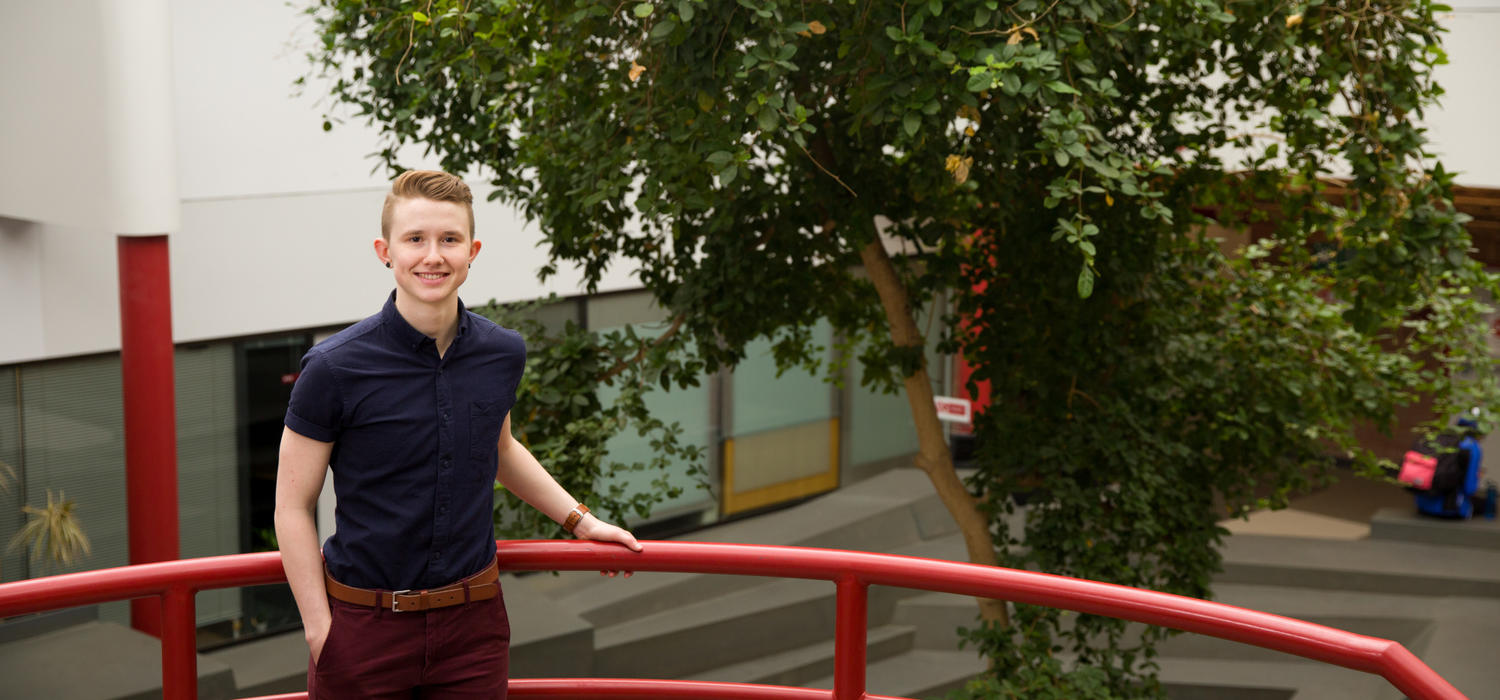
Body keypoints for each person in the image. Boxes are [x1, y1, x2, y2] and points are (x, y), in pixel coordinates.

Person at [274, 169, 642, 699]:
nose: (433, 256)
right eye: (415, 239)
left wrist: (582, 522)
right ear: (385, 251)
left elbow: (503, 450)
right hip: (364, 629)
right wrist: (320, 632)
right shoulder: (333, 368)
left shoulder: (502, 352)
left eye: (449, 239)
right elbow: (292, 504)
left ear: (472, 251)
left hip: (473, 629)